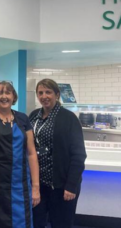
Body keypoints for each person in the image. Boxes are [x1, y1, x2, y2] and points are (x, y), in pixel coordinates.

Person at [0, 81, 40, 228]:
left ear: (13, 97)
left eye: (7, 93)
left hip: (20, 186)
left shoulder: (23, 119)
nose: (4, 96)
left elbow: (31, 153)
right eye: (0, 93)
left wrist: (35, 187)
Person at [29, 79, 86, 228]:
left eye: (48, 92)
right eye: (40, 93)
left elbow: (79, 155)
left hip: (61, 185)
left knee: (61, 223)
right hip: (38, 184)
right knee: (36, 222)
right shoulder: (34, 116)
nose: (44, 96)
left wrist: (71, 185)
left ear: (57, 94)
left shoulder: (69, 118)